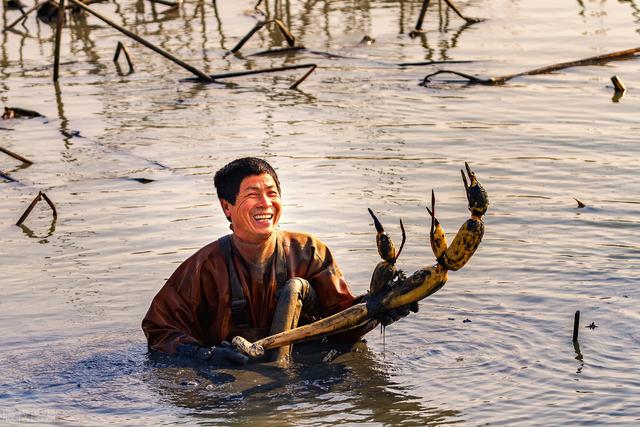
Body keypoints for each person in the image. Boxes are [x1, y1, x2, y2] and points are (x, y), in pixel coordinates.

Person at [142, 157, 409, 367]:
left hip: (304, 371)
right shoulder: (204, 266)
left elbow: (342, 324)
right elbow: (159, 331)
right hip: (231, 376)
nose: (265, 204)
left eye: (272, 193)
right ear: (227, 207)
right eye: (252, 195)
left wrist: (381, 309)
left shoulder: (309, 252)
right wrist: (206, 356)